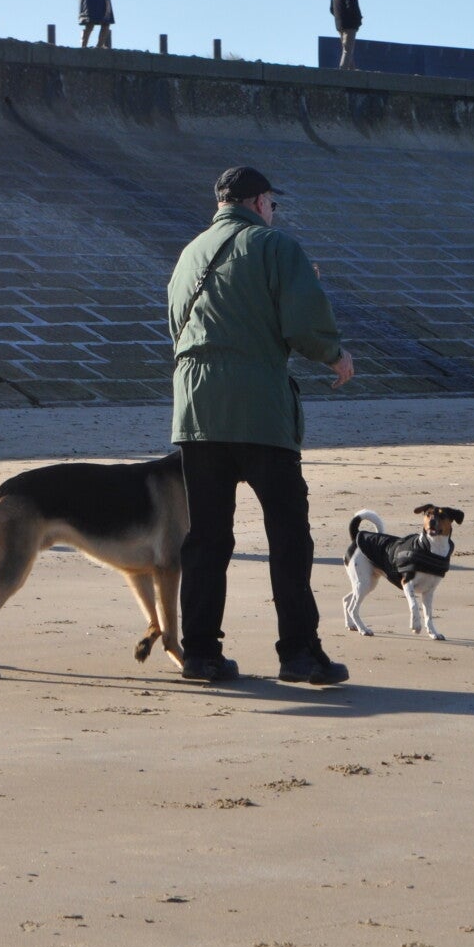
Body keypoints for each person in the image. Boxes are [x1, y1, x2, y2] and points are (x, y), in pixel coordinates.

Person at [166, 166, 355, 685]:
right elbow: (303, 324)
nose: (274, 211)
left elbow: (178, 326)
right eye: (273, 202)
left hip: (197, 411)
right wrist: (335, 355)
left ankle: (200, 653)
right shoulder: (275, 246)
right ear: (258, 201)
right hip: (260, 411)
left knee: (206, 538)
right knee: (289, 535)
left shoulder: (190, 253)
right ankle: (299, 653)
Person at [330, 0, 363, 70]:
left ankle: (352, 71)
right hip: (349, 25)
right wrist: (357, 21)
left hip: (339, 25)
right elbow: (352, 7)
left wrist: (339, 18)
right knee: (347, 50)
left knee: (347, 48)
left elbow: (332, 9)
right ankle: (342, 71)